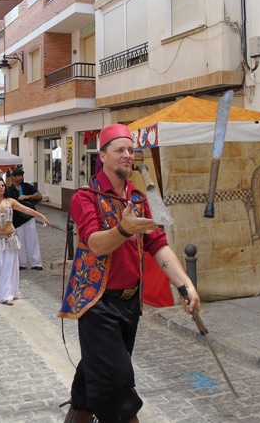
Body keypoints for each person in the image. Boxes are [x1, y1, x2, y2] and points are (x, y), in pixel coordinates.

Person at [58, 124, 201, 423]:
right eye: (119, 150)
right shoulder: (86, 197)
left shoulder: (137, 198)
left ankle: (80, 410)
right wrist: (123, 229)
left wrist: (184, 284)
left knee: (97, 371)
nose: (127, 156)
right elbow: (95, 244)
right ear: (103, 156)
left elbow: (157, 244)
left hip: (129, 304)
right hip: (97, 305)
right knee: (118, 384)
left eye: (130, 150)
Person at [5, 167, 43, 270]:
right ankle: (21, 263)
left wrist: (27, 196)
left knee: (32, 239)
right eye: (18, 176)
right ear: (13, 177)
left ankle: (36, 262)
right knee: (19, 239)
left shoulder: (27, 186)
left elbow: (39, 196)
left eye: (21, 176)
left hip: (29, 216)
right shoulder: (9, 190)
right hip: (17, 218)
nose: (20, 178)